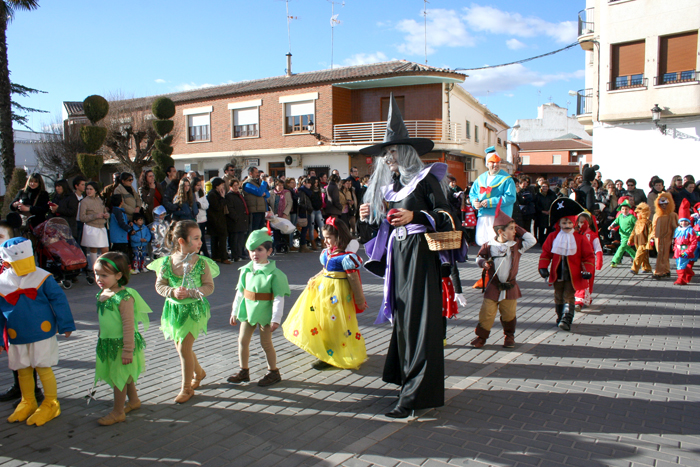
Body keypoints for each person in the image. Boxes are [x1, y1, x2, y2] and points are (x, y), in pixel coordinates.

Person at [358, 94, 453, 419]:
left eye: (391, 152)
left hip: (422, 258)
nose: (387, 159)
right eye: (386, 154)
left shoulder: (427, 181)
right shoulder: (392, 187)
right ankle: (406, 384)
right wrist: (368, 214)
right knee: (403, 320)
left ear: (406, 152)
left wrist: (417, 218)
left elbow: (448, 217)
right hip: (399, 258)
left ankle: (415, 395)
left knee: (419, 322)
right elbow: (379, 231)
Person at [0, 237, 75, 426]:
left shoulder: (42, 276)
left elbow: (59, 300)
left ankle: (51, 402)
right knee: (22, 369)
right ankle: (28, 401)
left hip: (42, 331)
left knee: (43, 367)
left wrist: (65, 324)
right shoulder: (3, 281)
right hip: (16, 333)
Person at [147, 220, 219, 403]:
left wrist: (192, 292)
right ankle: (199, 373)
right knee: (181, 347)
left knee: (184, 348)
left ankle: (186, 388)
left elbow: (209, 287)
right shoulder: (166, 262)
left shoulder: (201, 263)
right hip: (173, 310)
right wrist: (172, 291)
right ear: (181, 241)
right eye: (195, 238)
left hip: (193, 310)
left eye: (200, 238)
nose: (200, 242)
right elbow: (160, 285)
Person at [283, 218, 367, 369]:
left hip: (339, 295)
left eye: (329, 237)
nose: (326, 240)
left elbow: (354, 279)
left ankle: (335, 353)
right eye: (324, 237)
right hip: (324, 294)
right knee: (324, 323)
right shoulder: (327, 253)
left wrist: (360, 300)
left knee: (336, 325)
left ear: (339, 236)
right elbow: (325, 270)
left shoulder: (347, 257)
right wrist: (314, 278)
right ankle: (327, 351)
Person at [93, 252, 151, 425]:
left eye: (104, 275)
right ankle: (133, 401)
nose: (99, 278)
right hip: (108, 343)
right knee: (124, 375)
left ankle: (118, 411)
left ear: (119, 275)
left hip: (122, 345)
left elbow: (128, 325)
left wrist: (128, 350)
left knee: (118, 377)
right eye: (96, 273)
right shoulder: (103, 294)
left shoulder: (124, 297)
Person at [227, 228, 290, 387]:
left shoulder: (275, 274)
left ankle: (273, 371)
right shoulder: (246, 270)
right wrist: (234, 311)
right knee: (242, 341)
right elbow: (240, 293)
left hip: (265, 314)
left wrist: (276, 318)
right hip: (248, 311)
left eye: (259, 250)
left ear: (269, 251)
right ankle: (244, 371)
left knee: (266, 344)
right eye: (252, 250)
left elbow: (278, 298)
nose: (255, 253)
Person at [471, 201, 536, 349]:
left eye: (515, 229)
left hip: (510, 287)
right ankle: (481, 337)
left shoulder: (517, 246)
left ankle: (509, 337)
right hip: (493, 286)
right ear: (500, 232)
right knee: (486, 313)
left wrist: (514, 225)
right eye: (511, 229)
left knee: (509, 314)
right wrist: (483, 264)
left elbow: (532, 240)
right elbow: (478, 258)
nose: (514, 232)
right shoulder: (489, 245)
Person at [538, 198, 595, 332]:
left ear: (574, 223)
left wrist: (588, 270)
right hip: (557, 273)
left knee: (569, 295)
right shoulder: (553, 236)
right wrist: (543, 267)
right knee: (558, 295)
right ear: (559, 223)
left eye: (570, 222)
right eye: (564, 222)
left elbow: (588, 257)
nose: (567, 225)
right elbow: (546, 253)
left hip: (573, 274)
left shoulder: (580, 238)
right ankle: (560, 317)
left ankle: (567, 319)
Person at [469, 147, 517, 246]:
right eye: (492, 162)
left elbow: (510, 197)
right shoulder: (480, 178)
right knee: (483, 242)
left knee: (498, 244)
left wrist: (491, 202)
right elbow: (472, 194)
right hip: (483, 216)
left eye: (498, 162)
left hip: (499, 216)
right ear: (487, 164)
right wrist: (475, 202)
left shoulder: (507, 179)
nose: (495, 165)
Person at [575, 212, 603, 311]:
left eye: (583, 222)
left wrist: (599, 261)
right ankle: (583, 299)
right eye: (579, 222)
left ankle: (579, 301)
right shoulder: (576, 234)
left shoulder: (592, 236)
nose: (581, 224)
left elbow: (598, 249)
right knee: (578, 281)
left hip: (588, 262)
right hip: (577, 261)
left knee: (585, 281)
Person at [80, 182, 110, 274]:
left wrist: (106, 215)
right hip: (91, 227)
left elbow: (105, 211)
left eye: (91, 189)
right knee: (93, 249)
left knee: (105, 249)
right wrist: (95, 216)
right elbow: (82, 217)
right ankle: (95, 268)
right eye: (87, 189)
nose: (88, 191)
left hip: (101, 226)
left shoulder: (99, 200)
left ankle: (104, 267)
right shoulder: (84, 201)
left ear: (96, 190)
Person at [650, 192, 678, 279]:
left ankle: (659, 272)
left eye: (666, 204)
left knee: (662, 254)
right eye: (662, 204)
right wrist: (651, 237)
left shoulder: (672, 215)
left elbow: (675, 227)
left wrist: (675, 239)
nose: (664, 206)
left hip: (666, 237)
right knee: (662, 254)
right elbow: (653, 226)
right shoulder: (656, 215)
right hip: (657, 238)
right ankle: (666, 270)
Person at [673, 199, 697, 285]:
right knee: (679, 263)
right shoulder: (677, 229)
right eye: (682, 221)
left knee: (681, 265)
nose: (683, 223)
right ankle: (689, 272)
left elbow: (693, 242)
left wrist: (688, 251)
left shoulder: (690, 230)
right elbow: (675, 240)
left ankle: (680, 280)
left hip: (685, 250)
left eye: (685, 221)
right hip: (678, 250)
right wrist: (675, 248)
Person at [225, 180, 250, 262]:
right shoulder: (229, 196)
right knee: (234, 240)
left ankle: (239, 254)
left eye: (237, 185)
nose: (236, 187)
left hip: (242, 220)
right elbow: (230, 209)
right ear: (230, 187)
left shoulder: (239, 195)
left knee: (240, 239)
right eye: (234, 185)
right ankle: (235, 255)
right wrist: (236, 218)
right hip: (235, 221)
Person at [206, 178, 230, 264]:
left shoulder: (217, 193)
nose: (223, 187)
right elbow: (218, 207)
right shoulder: (212, 195)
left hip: (219, 219)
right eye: (222, 185)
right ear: (217, 186)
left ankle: (217, 256)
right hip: (215, 220)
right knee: (221, 238)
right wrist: (223, 198)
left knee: (217, 238)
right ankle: (223, 257)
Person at [609, 200, 636, 268]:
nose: (624, 210)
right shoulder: (620, 216)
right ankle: (638, 259)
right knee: (627, 248)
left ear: (629, 209)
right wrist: (611, 226)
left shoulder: (632, 217)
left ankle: (615, 261)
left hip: (629, 236)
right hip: (622, 235)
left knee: (621, 248)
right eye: (623, 209)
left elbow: (637, 225)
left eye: (626, 209)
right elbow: (615, 222)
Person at [242, 167, 270, 232]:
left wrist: (264, 193)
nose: (258, 174)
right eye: (256, 172)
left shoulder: (257, 182)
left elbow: (268, 194)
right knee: (255, 231)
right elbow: (259, 193)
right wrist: (263, 182)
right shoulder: (248, 184)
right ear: (250, 173)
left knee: (261, 231)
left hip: (261, 210)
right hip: (254, 212)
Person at [629, 202, 652, 275]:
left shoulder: (648, 222)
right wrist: (630, 239)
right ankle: (646, 267)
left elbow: (651, 233)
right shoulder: (637, 222)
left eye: (639, 213)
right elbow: (633, 232)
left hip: (644, 242)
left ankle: (634, 268)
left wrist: (650, 242)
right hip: (637, 241)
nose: (637, 215)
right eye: (637, 213)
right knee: (644, 255)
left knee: (638, 255)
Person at [534, 181, 557, 245]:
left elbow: (554, 203)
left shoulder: (552, 194)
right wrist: (542, 211)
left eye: (546, 186)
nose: (544, 188)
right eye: (543, 186)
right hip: (541, 214)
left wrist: (550, 210)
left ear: (548, 187)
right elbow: (536, 204)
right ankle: (541, 242)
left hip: (549, 214)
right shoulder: (538, 195)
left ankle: (548, 242)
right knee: (541, 229)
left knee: (549, 229)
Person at [192, 177, 209, 258]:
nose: (198, 187)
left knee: (202, 239)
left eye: (200, 185)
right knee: (197, 239)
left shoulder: (201, 194)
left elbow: (206, 205)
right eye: (197, 185)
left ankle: (205, 255)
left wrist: (199, 204)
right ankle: (199, 255)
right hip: (195, 220)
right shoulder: (191, 194)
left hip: (202, 218)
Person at [296, 178, 313, 253]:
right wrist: (307, 207)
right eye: (308, 183)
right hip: (304, 212)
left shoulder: (307, 191)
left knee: (306, 229)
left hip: (307, 212)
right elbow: (300, 203)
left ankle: (303, 245)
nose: (310, 185)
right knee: (304, 229)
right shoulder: (302, 191)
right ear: (304, 183)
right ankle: (303, 246)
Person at [308, 177, 325, 249]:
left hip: (318, 210)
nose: (316, 184)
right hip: (311, 210)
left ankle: (323, 243)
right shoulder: (309, 191)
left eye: (317, 182)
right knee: (311, 227)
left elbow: (321, 199)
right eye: (315, 182)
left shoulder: (319, 190)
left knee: (322, 226)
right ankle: (313, 243)